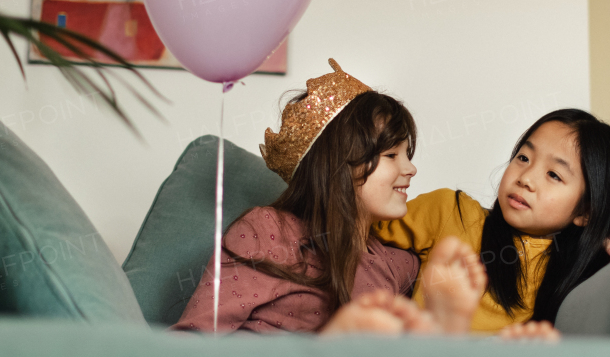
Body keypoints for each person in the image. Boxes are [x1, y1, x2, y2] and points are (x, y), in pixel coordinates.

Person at [173, 59, 532, 338]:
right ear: (337, 165)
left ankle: (438, 343)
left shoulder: (397, 264)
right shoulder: (269, 230)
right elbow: (195, 340)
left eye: (408, 154)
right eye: (392, 156)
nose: (411, 169)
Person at [373, 109, 610, 332]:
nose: (525, 178)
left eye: (554, 175)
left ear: (585, 211)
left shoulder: (590, 271)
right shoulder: (451, 212)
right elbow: (357, 225)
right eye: (524, 158)